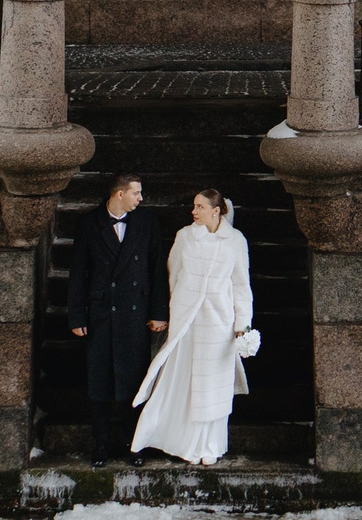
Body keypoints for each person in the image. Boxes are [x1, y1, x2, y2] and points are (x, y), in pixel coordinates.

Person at [129, 186, 253, 465]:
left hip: (218, 322)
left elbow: (241, 285)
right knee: (181, 379)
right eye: (194, 206)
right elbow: (173, 275)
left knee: (213, 386)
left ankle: (210, 444)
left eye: (200, 207)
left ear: (216, 211)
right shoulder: (185, 236)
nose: (194, 211)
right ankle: (181, 441)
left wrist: (242, 325)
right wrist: (174, 310)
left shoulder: (235, 241)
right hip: (187, 321)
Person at [63, 173, 166, 465]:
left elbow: (157, 267)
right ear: (119, 194)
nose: (141, 198)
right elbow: (78, 272)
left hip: (136, 314)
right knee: (100, 383)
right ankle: (101, 445)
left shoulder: (146, 222)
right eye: (136, 193)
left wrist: (159, 312)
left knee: (134, 381)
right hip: (101, 314)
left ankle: (134, 444)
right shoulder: (89, 223)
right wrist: (76, 315)